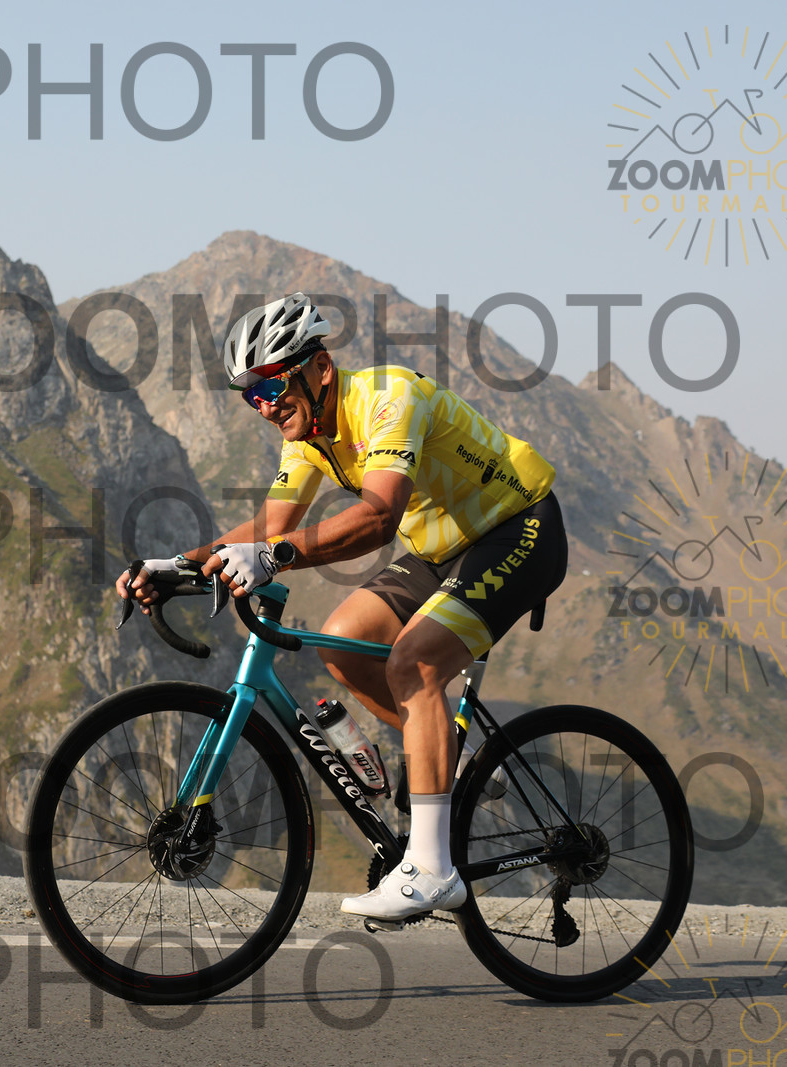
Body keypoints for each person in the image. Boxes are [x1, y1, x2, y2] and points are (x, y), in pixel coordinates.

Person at [115, 292, 568, 922]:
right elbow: (268, 526)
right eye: (251, 396)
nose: (264, 406)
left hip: (518, 527)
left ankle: (433, 871)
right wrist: (176, 567)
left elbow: (378, 518)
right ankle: (455, 764)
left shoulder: (387, 398)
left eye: (271, 385)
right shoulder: (309, 437)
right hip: (442, 548)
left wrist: (273, 557)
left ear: (320, 369)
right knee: (342, 639)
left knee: (414, 664)